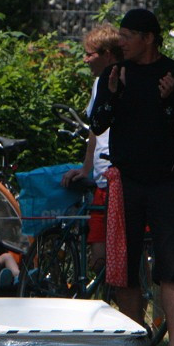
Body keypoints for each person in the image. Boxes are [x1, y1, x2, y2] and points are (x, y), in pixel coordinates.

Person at [89, 8, 174, 346]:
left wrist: (168, 101)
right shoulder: (114, 74)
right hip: (126, 183)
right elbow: (98, 122)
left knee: (172, 263)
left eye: (126, 35)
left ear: (148, 38)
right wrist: (113, 93)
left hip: (164, 183)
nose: (120, 41)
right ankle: (134, 340)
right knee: (125, 264)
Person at [62, 23, 122, 272]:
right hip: (100, 178)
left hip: (118, 175)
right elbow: (93, 130)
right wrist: (86, 168)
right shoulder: (99, 83)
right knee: (98, 249)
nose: (85, 59)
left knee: (124, 250)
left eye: (90, 54)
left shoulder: (122, 78)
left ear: (108, 54)